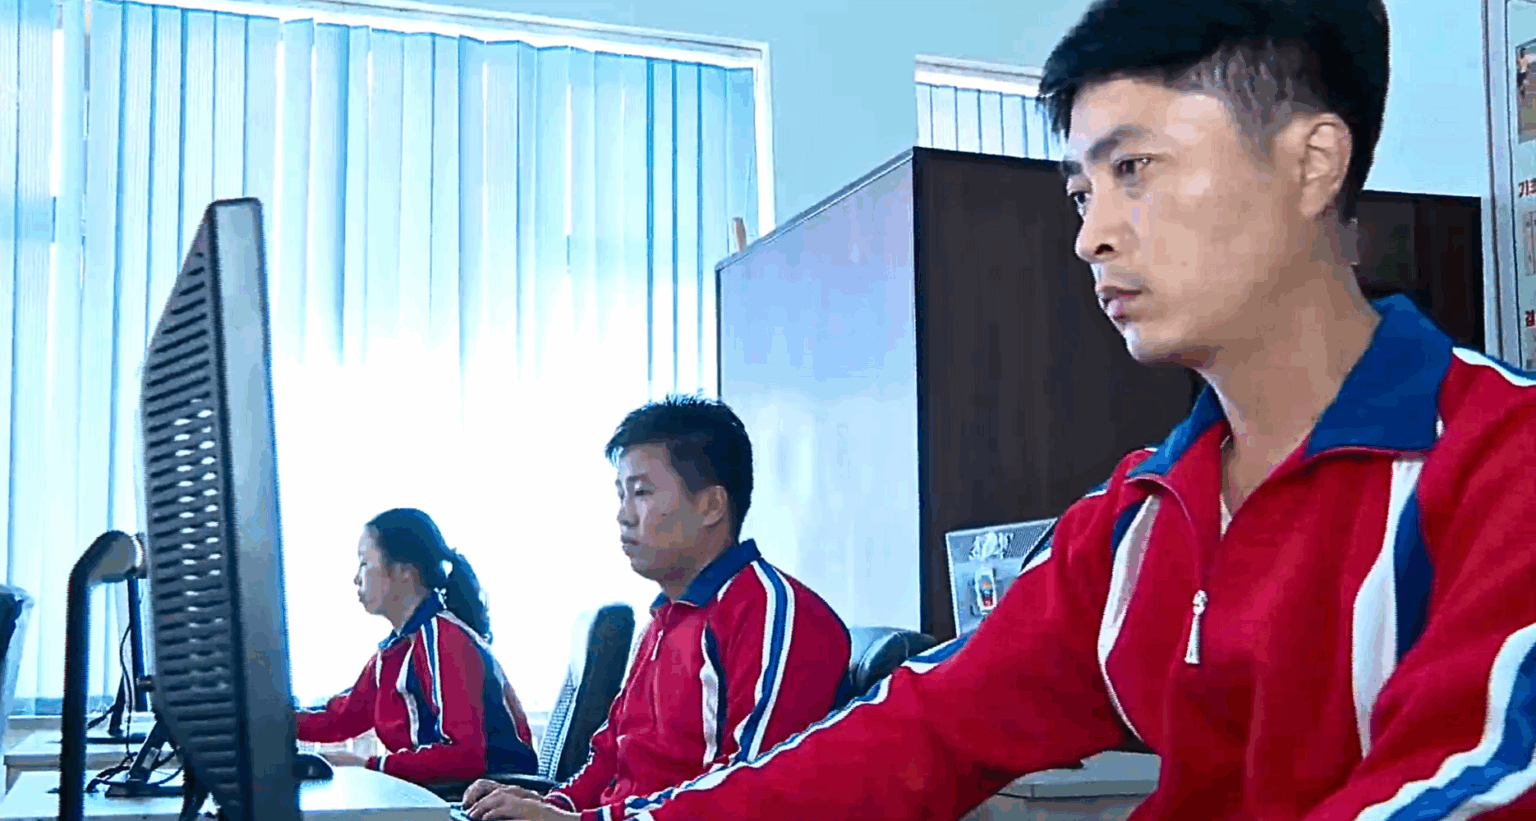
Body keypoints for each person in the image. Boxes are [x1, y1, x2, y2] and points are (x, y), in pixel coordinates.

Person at [452, 0, 1536, 818]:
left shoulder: (1502, 464)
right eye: (1082, 191)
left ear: (1311, 162)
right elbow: (914, 731)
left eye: (1136, 169)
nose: (1092, 235)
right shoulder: (1135, 524)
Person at [461, 396, 853, 820]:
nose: (623, 516)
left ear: (711, 506)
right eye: (621, 495)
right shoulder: (663, 621)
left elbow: (749, 788)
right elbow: (611, 757)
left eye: (642, 493)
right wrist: (550, 805)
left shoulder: (771, 611)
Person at [297, 508, 539, 786]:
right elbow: (340, 718)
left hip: (493, 798)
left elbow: (464, 755)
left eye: (364, 563)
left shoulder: (446, 640)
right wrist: (272, 718)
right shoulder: (396, 651)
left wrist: (369, 765)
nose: (356, 578)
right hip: (452, 794)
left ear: (403, 571)